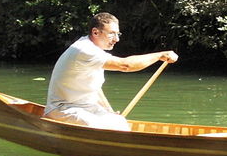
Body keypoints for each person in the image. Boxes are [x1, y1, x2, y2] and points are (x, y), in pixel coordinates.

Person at [44, 12, 178, 130]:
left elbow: (94, 89)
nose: (117, 39)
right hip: (63, 109)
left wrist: (109, 111)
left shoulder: (94, 51)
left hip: (84, 107)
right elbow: (125, 65)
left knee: (119, 122)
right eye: (111, 34)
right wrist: (160, 55)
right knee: (109, 128)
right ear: (95, 32)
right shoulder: (84, 50)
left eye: (118, 34)